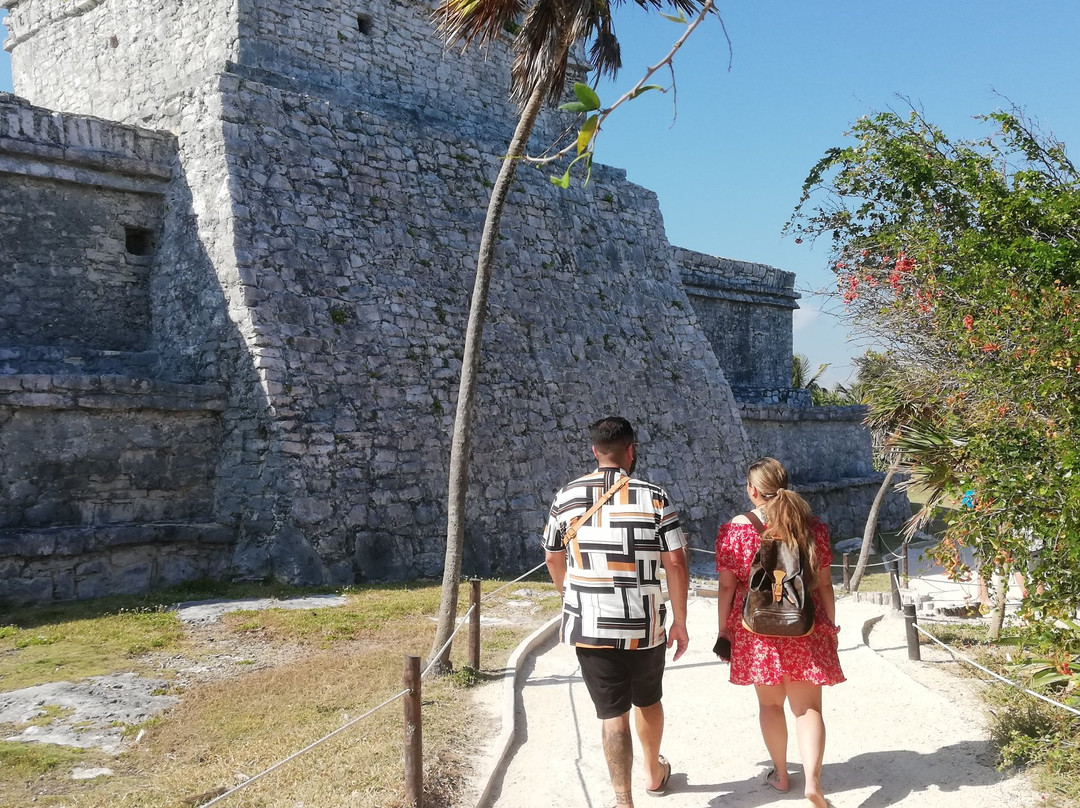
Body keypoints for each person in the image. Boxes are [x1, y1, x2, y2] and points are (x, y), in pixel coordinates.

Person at [544, 416, 689, 807]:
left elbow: (553, 557)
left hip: (590, 624)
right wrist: (681, 621)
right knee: (648, 700)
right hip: (645, 624)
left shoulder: (567, 496)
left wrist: (569, 595)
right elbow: (675, 561)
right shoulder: (655, 496)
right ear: (631, 450)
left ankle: (622, 799)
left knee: (612, 714)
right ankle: (653, 773)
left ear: (594, 451)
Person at [715, 457, 843, 808]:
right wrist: (830, 625)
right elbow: (826, 584)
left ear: (753, 491)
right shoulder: (813, 527)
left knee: (770, 706)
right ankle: (813, 782)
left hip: (757, 631)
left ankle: (782, 775)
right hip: (806, 626)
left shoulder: (735, 531)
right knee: (809, 710)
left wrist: (723, 630)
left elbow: (727, 588)